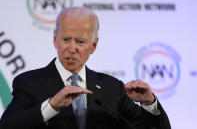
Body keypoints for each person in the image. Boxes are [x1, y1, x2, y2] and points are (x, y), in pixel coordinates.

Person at [0, 7, 171, 129]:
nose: (72, 48)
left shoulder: (112, 88)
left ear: (94, 45)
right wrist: (51, 107)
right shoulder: (29, 83)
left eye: (80, 42)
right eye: (66, 39)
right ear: (55, 40)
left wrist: (149, 104)